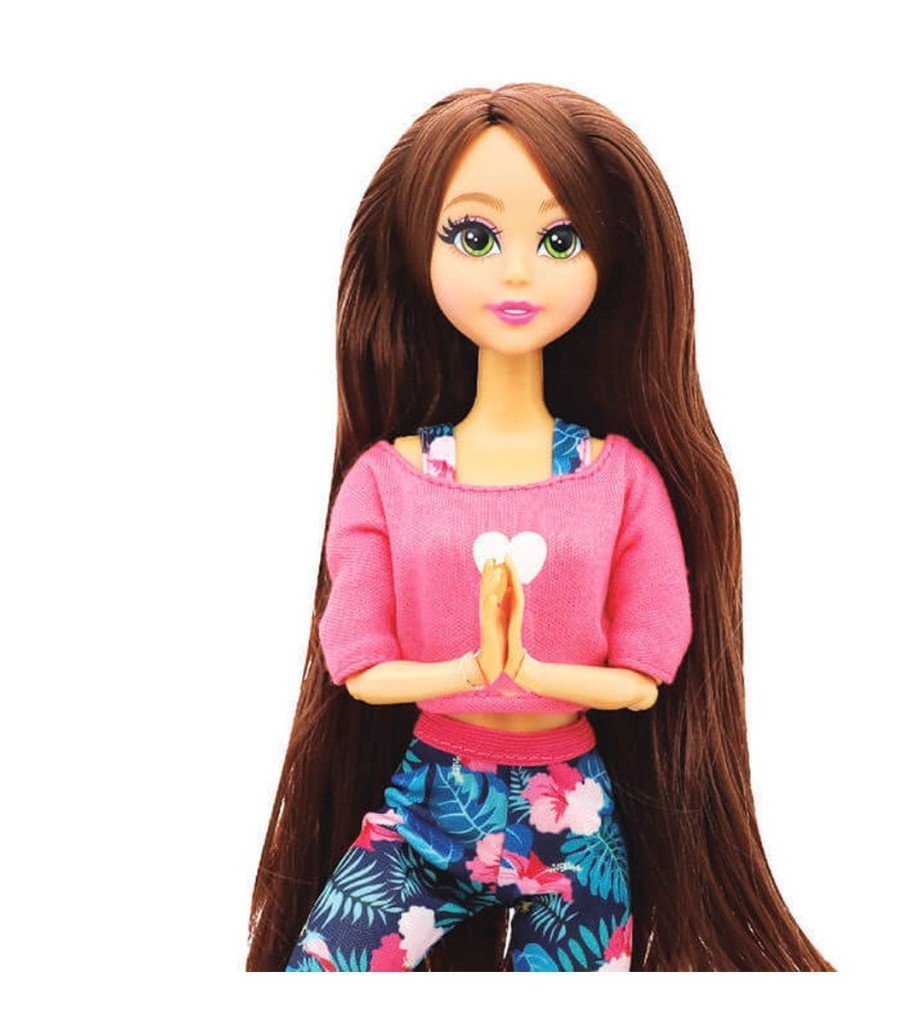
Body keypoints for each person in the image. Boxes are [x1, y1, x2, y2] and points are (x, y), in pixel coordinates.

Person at [247, 83, 832, 972]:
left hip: (574, 822)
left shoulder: (621, 480)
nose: (517, 273)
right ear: (415, 253)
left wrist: (526, 671)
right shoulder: (387, 480)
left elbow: (641, 681)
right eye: (474, 236)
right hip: (427, 808)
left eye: (560, 241)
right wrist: (471, 671)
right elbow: (361, 671)